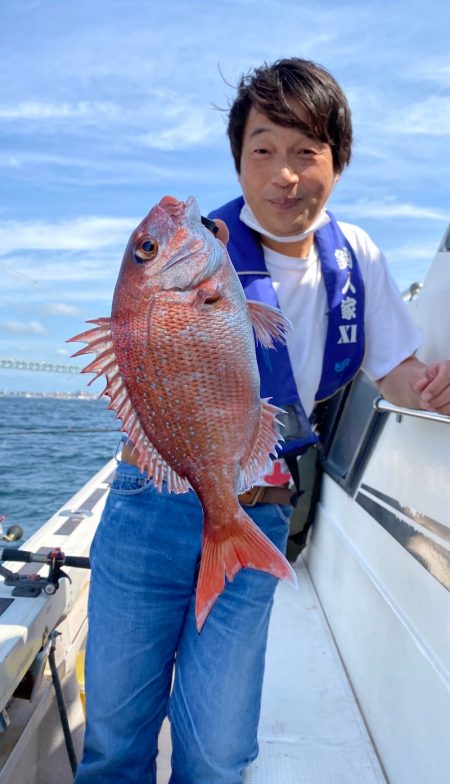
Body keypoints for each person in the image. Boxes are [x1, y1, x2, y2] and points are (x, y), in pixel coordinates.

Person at [75, 58, 450, 784]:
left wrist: (438, 387)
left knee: (217, 749)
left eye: (306, 152)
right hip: (149, 503)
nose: (284, 174)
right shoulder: (207, 252)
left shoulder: (357, 260)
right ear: (239, 162)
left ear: (337, 162)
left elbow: (401, 375)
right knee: (116, 734)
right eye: (263, 150)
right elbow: (142, 359)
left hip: (255, 508)